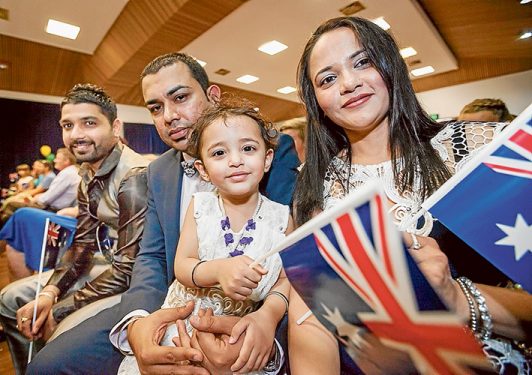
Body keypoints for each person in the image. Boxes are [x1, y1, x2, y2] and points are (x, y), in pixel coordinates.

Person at [28, 53, 299, 375]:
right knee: (48, 367)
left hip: (248, 313)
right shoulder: (157, 171)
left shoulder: (269, 148)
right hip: (169, 301)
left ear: (212, 96)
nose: (169, 116)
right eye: (156, 108)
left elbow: (294, 259)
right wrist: (138, 322)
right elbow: (152, 256)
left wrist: (268, 326)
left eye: (180, 97)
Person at [288, 16, 532, 374]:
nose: (349, 83)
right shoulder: (314, 187)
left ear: (391, 65)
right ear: (317, 101)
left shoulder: (473, 148)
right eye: (328, 78)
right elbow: (309, 319)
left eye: (363, 62)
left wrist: (455, 297)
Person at [119, 98, 294, 374]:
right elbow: (182, 265)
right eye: (219, 154)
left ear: (268, 158)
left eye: (248, 148)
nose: (236, 161)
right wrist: (218, 270)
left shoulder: (282, 217)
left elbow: (286, 280)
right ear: (203, 170)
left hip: (235, 337)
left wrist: (269, 315)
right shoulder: (201, 207)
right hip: (184, 325)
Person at [0, 83, 150, 375]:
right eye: (67, 125)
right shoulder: (86, 172)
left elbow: (128, 269)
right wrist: (50, 293)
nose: (76, 134)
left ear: (116, 127)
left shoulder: (134, 176)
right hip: (100, 270)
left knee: (55, 330)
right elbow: (83, 245)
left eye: (89, 123)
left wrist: (60, 308)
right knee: (10, 300)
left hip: (129, 281)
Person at [0, 148, 79, 223]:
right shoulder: (71, 172)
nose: (54, 160)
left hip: (51, 210)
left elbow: (46, 199)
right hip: (52, 207)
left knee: (10, 205)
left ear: (66, 161)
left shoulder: (67, 174)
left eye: (57, 158)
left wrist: (34, 199)